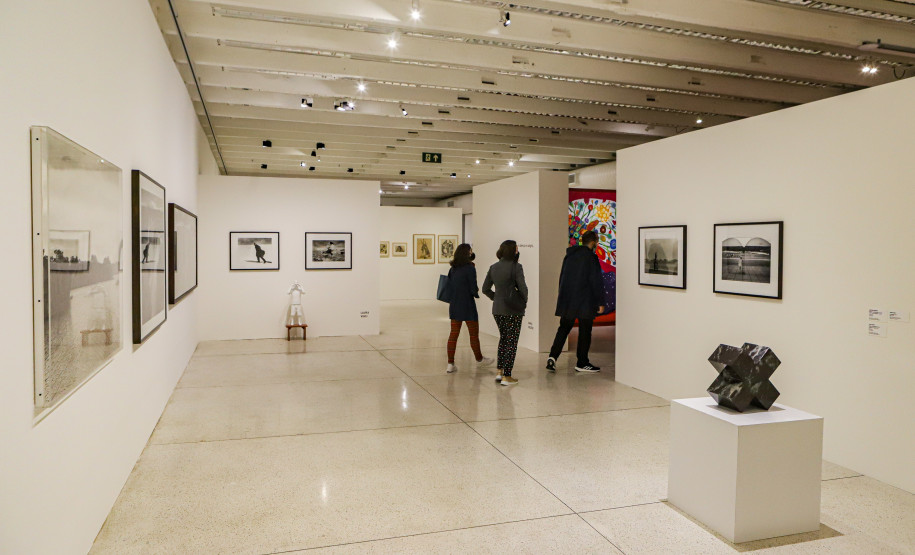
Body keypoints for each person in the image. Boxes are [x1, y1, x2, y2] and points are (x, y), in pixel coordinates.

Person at [546, 230, 606, 373]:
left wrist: (562, 297)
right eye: (596, 241)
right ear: (593, 243)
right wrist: (600, 302)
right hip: (585, 300)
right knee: (585, 330)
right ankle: (582, 362)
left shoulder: (569, 256)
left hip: (568, 300)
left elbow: (562, 278)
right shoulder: (591, 258)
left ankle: (552, 357)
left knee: (564, 328)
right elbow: (595, 281)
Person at [482, 240, 528, 386]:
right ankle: (507, 376)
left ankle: (499, 372)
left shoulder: (493, 267)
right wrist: (523, 301)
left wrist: (496, 298)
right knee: (512, 341)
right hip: (513, 309)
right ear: (513, 251)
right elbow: (523, 289)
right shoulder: (516, 267)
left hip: (497, 309)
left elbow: (485, 288)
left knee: (503, 339)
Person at [445, 244, 494, 373]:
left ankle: (450, 364)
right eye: (471, 251)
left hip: (455, 305)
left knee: (453, 335)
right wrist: (476, 292)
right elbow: (473, 288)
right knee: (473, 334)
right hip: (467, 305)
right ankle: (479, 359)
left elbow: (450, 285)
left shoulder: (452, 269)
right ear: (467, 254)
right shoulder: (470, 268)